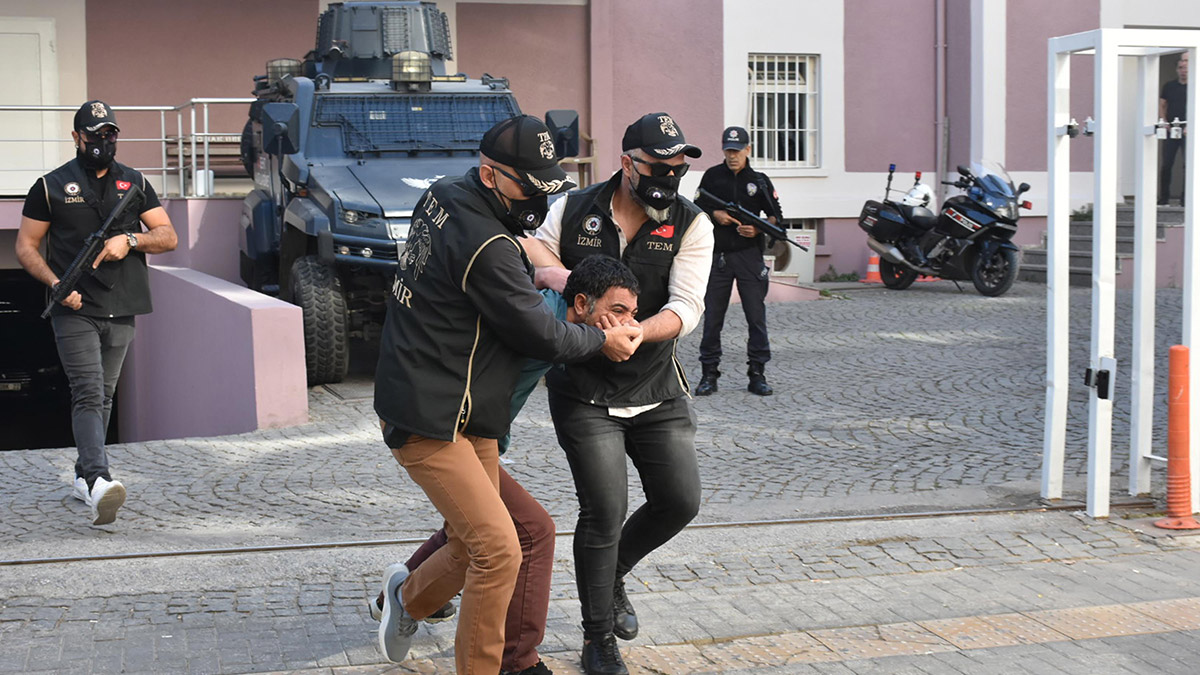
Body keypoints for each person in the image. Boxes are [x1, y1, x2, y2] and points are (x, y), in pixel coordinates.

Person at [371, 114, 643, 675]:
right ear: (491, 175)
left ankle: (408, 600)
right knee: (498, 550)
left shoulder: (447, 194)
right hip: (431, 418)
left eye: (549, 182)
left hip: (467, 415)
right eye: (530, 184)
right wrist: (600, 337)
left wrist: (545, 273)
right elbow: (539, 333)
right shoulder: (487, 242)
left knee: (527, 530)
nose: (541, 196)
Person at [523, 112, 714, 675]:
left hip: (656, 385)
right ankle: (596, 637)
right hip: (583, 388)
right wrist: (568, 281)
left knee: (680, 500)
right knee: (604, 511)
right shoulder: (575, 207)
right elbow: (533, 250)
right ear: (627, 163)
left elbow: (687, 306)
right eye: (658, 166)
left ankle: (613, 578)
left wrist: (634, 332)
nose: (669, 177)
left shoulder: (691, 224)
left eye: (679, 168)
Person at [14, 100, 178, 526]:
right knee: (87, 391)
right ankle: (100, 479)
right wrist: (55, 285)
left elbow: (167, 235)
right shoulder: (50, 186)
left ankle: (83, 476)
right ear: (76, 138)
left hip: (122, 305)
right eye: (95, 135)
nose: (103, 142)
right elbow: (25, 247)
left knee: (103, 396)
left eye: (110, 134)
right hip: (74, 307)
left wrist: (132, 241)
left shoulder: (135, 182)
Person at [693, 126, 783, 397]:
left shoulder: (760, 180)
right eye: (728, 150)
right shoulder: (711, 177)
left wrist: (758, 229)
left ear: (748, 150)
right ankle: (709, 374)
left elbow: (777, 217)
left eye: (738, 150)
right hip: (718, 256)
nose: (732, 156)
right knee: (712, 319)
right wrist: (715, 214)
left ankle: (757, 373)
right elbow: (696, 210)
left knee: (756, 317)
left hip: (749, 256)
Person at [1160, 52, 1189, 207]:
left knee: (1188, 164)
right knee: (1167, 164)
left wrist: (1191, 125)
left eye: (1186, 67)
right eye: (1181, 67)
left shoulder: (1195, 86)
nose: (1183, 70)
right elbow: (1162, 104)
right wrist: (1164, 122)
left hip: (1188, 131)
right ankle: (1164, 198)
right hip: (1172, 130)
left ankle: (1185, 199)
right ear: (1177, 69)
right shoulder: (1169, 86)